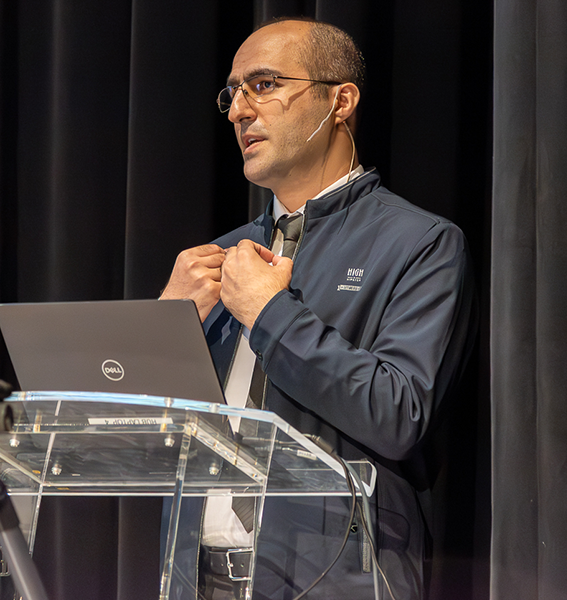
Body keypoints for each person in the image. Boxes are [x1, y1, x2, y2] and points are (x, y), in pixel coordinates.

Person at [160, 18, 477, 600]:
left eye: (263, 85)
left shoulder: (421, 243)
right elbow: (138, 438)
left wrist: (271, 312)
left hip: (332, 579)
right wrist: (162, 329)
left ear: (340, 100)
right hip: (195, 577)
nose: (237, 112)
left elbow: (398, 413)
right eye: (232, 93)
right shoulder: (216, 257)